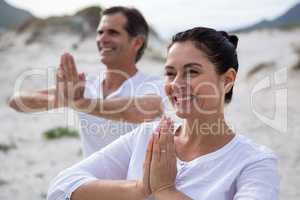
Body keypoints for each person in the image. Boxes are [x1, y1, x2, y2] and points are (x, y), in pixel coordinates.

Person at [47, 27, 279, 200]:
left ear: (227, 80)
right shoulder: (147, 136)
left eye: (192, 72)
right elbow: (61, 187)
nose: (176, 83)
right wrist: (139, 189)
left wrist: (166, 191)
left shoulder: (254, 162)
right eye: (170, 73)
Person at [8, 6, 166, 157]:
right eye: (100, 32)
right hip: (91, 183)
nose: (102, 39)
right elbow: (17, 101)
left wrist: (80, 102)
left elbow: (138, 110)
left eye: (113, 33)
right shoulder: (87, 84)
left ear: (137, 42)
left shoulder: (155, 85)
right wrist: (62, 99)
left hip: (135, 184)